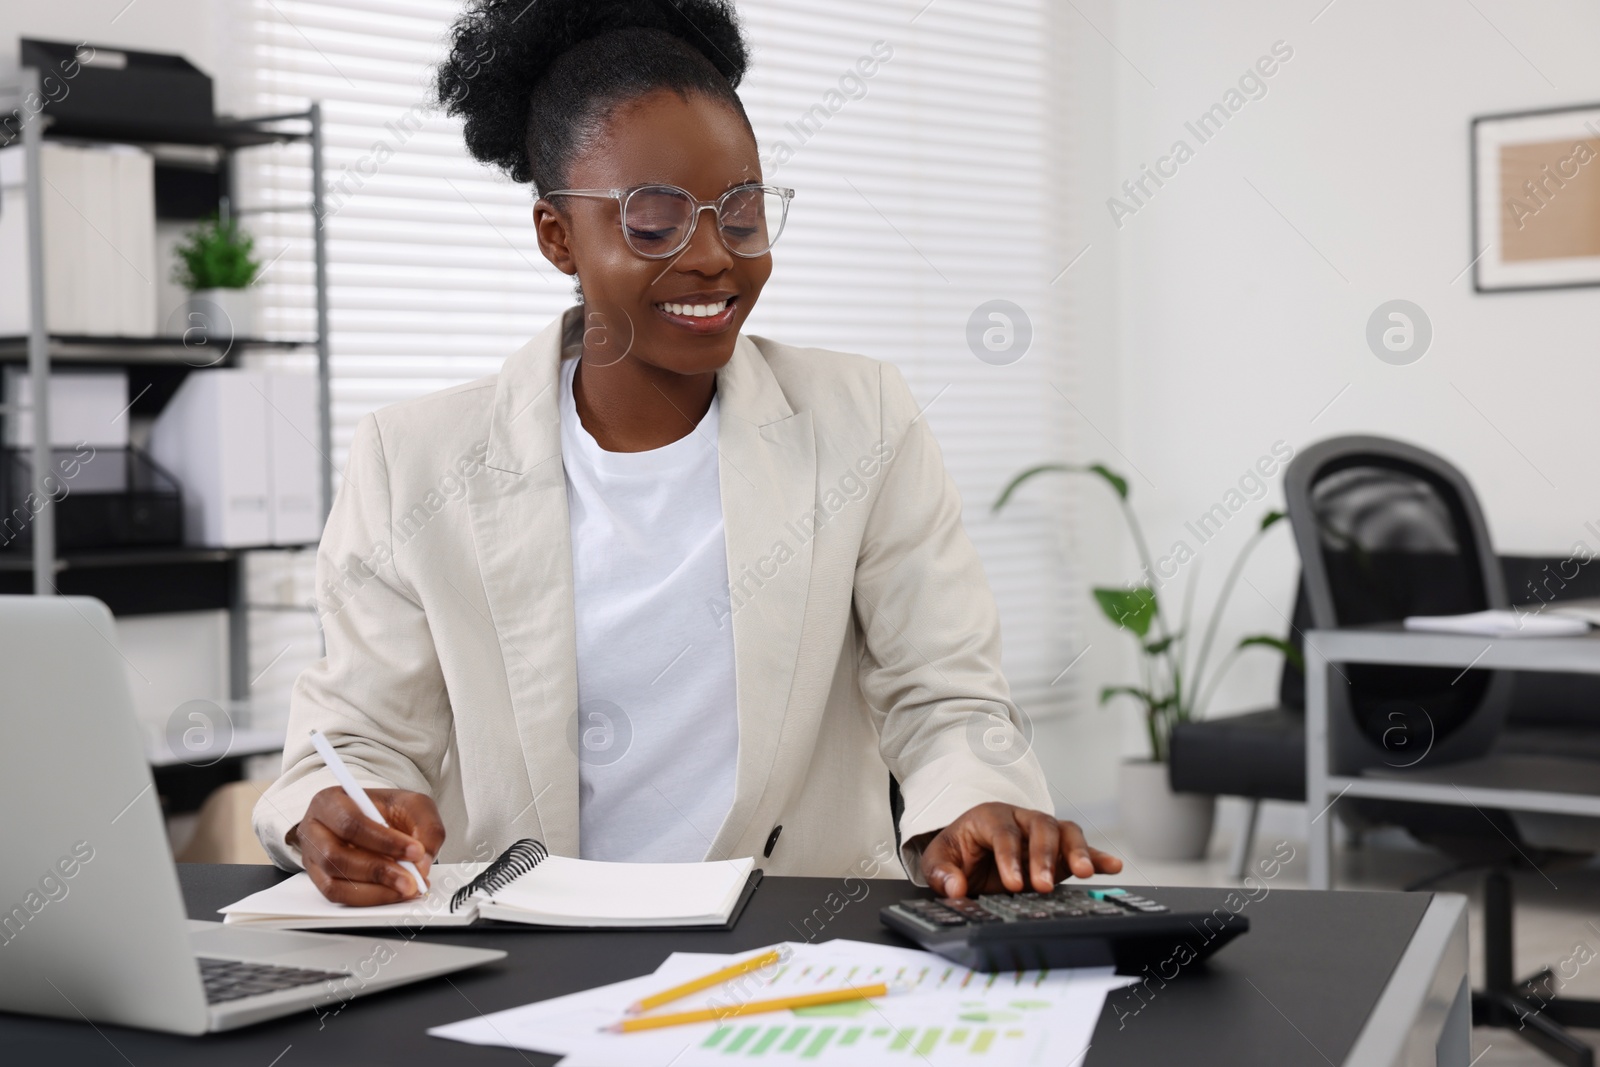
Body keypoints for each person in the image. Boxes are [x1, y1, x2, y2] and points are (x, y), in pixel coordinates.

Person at [253, 0, 1122, 905]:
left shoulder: (862, 420)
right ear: (557, 236)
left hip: (793, 952)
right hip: (526, 950)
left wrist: (973, 803)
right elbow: (356, 736)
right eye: (653, 222)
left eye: (740, 215)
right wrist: (341, 806)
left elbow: (945, 694)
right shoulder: (416, 460)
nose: (713, 258)